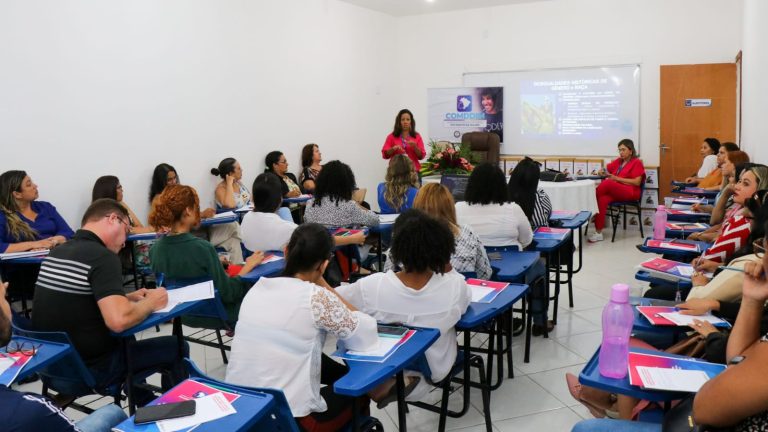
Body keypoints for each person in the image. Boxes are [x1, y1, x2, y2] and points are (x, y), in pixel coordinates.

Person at [31, 199, 187, 403]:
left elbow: (75, 302)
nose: (125, 241)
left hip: (50, 369)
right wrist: (151, 302)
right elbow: (118, 321)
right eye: (127, 230)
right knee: (177, 346)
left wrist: (124, 297)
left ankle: (144, 400)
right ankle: (171, 413)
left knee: (127, 341)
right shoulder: (102, 257)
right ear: (113, 219)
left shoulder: (57, 253)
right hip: (89, 373)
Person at [225, 223, 379, 430]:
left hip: (245, 411)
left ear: (286, 252)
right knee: (359, 390)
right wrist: (323, 284)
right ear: (324, 265)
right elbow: (366, 333)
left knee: (315, 358)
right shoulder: (316, 297)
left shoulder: (257, 289)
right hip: (290, 422)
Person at [337, 209, 471, 402]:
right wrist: (449, 270)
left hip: (385, 366)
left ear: (397, 249)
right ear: (443, 251)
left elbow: (332, 298)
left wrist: (318, 278)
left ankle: (385, 381)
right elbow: (465, 302)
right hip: (433, 371)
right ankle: (407, 380)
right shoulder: (455, 287)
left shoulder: (373, 286)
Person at [0, 281, 129, 432]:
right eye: (4, 297)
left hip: (56, 380)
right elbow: (118, 322)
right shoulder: (31, 411)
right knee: (114, 413)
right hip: (89, 378)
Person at [148, 185, 264, 327]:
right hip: (218, 314)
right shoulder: (203, 248)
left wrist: (215, 263)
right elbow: (229, 293)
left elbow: (181, 272)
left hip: (183, 315)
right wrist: (249, 267)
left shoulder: (154, 250)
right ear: (188, 211)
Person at [385, 183, 492, 279]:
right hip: (462, 297)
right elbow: (485, 273)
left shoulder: (405, 235)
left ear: (417, 205)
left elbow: (388, 274)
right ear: (450, 206)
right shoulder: (467, 233)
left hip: (414, 297)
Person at [241, 174, 366, 252]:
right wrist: (353, 238)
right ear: (279, 198)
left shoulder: (246, 218)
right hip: (283, 275)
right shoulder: (284, 228)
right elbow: (321, 241)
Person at [148, 163, 241, 261]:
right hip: (190, 236)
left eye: (174, 178)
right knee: (233, 226)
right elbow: (178, 219)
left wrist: (201, 214)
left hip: (199, 231)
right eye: (169, 180)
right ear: (160, 182)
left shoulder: (179, 194)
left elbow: (185, 214)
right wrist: (202, 214)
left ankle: (239, 273)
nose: (173, 182)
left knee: (233, 242)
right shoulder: (159, 199)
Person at [455, 163, 532, 248]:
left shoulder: (458, 208)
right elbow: (526, 240)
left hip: (471, 260)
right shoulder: (514, 209)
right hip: (508, 260)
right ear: (502, 186)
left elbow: (452, 238)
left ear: (471, 185)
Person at [0, 170, 73, 253]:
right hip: (21, 264)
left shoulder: (46, 207)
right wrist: (35, 244)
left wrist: (53, 241)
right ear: (17, 194)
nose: (35, 186)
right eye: (29, 185)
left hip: (52, 261)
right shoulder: (3, 215)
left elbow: (69, 233)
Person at [588, 139, 645, 243]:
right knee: (602, 199)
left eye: (623, 150)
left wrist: (616, 178)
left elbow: (637, 182)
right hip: (618, 191)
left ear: (630, 151)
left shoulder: (636, 162)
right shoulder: (619, 161)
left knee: (608, 183)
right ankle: (598, 233)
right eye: (619, 150)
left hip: (631, 192)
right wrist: (602, 171)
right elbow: (606, 169)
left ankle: (590, 208)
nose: (621, 152)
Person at [304, 161, 379, 228]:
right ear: (346, 183)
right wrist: (358, 205)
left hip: (318, 243)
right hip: (347, 243)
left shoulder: (310, 204)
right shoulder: (349, 206)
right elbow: (375, 221)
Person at [507, 156, 552, 228]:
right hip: (537, 237)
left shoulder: (501, 197)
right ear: (535, 181)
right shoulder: (540, 197)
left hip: (510, 237)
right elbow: (547, 216)